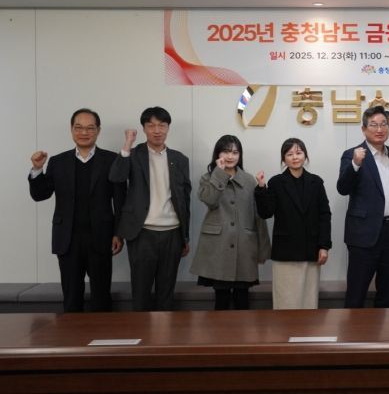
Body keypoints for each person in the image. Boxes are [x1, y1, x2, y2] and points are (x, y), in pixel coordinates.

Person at [28, 108, 125, 312]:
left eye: (90, 128)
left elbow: (120, 200)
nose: (84, 132)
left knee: (101, 297)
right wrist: (37, 169)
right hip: (67, 239)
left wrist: (118, 233)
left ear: (98, 130)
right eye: (78, 127)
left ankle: (102, 332)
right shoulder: (57, 161)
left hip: (101, 237)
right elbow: (40, 195)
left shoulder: (111, 160)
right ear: (71, 130)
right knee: (71, 298)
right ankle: (71, 332)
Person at [109, 106, 191, 311]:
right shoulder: (133, 155)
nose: (157, 130)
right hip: (142, 234)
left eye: (161, 125)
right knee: (141, 292)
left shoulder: (180, 159)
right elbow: (116, 177)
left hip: (172, 232)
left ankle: (165, 331)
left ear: (168, 128)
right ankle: (141, 330)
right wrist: (127, 144)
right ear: (144, 128)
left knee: (166, 292)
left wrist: (185, 236)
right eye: (151, 125)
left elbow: (184, 199)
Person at [337, 105, 389, 308]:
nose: (380, 129)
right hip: (363, 234)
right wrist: (355, 164)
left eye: (383, 124)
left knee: (388, 292)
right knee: (356, 293)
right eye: (374, 125)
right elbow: (342, 188)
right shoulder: (351, 155)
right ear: (363, 129)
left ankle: (385, 329)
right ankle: (352, 328)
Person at [256, 138, 332, 309]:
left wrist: (324, 246)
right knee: (286, 302)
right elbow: (266, 213)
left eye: (298, 153)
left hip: (310, 249)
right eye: (289, 154)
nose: (295, 157)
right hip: (286, 252)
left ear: (305, 156)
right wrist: (261, 188)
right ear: (284, 159)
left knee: (308, 301)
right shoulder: (276, 182)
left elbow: (324, 215)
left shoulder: (316, 182)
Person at [190, 135, 264, 310]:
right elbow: (210, 200)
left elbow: (257, 216)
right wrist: (219, 173)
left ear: (240, 155)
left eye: (235, 152)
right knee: (221, 299)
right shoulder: (208, 178)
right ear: (218, 154)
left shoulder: (249, 180)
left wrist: (262, 249)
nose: (230, 156)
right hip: (218, 247)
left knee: (242, 298)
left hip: (244, 247)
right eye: (226, 151)